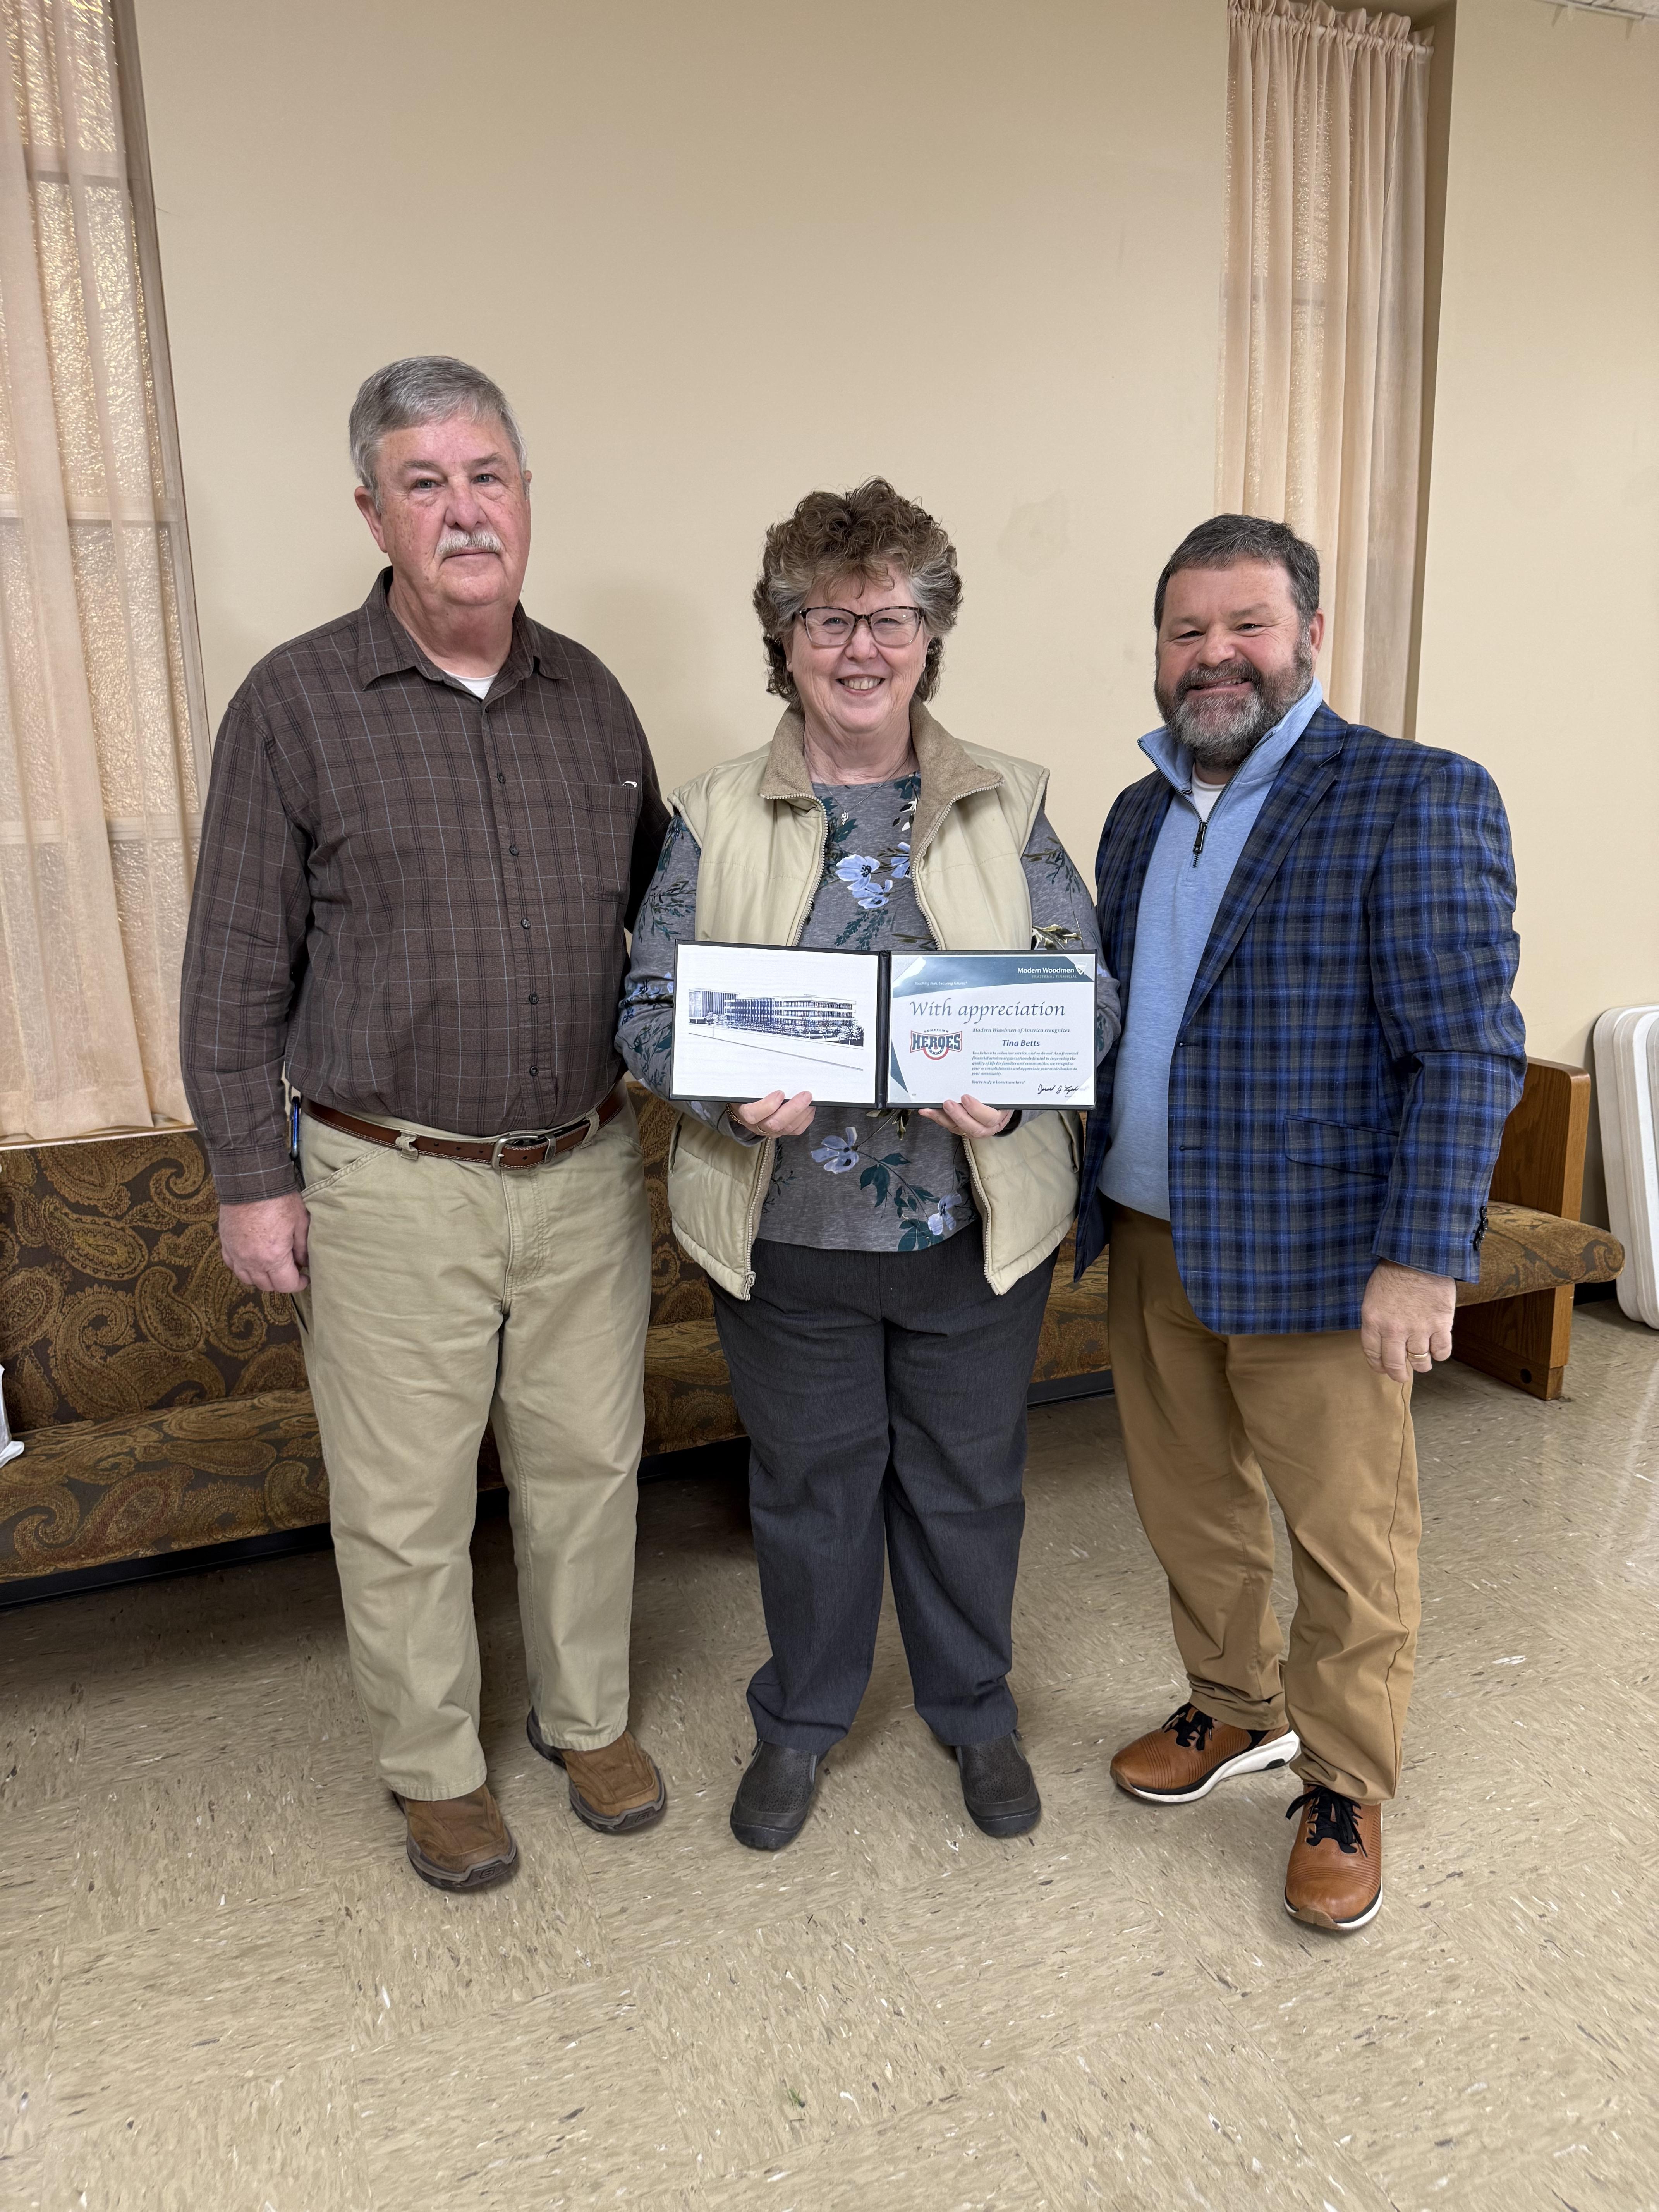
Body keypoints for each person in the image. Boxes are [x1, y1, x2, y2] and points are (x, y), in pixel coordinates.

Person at [180, 357, 671, 1891]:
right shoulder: (294, 704)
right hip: (389, 1177)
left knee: (590, 1467)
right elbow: (234, 969)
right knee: (404, 1506)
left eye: (488, 477)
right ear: (373, 513)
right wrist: (250, 1180)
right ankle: (436, 1769)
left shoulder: (592, 696)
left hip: (584, 1164)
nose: (466, 513)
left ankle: (586, 1722)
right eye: (426, 483)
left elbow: (662, 925)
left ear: (526, 496)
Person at [620, 479, 1119, 1851]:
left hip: (973, 1228)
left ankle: (974, 1712)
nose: (859, 648)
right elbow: (648, 1010)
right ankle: (800, 1720)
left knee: (969, 1489)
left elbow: (1086, 993)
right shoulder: (715, 811)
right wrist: (728, 1097)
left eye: (889, 618)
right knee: (809, 1496)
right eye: (826, 620)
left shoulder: (1006, 800)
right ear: (782, 640)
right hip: (787, 1233)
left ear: (929, 635)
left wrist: (1017, 1090)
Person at [1077, 514, 1525, 1932]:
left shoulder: (1415, 794)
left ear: (1308, 637)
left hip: (1325, 1256)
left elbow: (1465, 1047)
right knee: (1189, 1507)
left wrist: (1422, 1254)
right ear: (1158, 652)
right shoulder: (1135, 813)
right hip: (1147, 1232)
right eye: (1185, 631)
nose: (1214, 655)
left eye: (1246, 625)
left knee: (1347, 1540)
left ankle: (1342, 1779)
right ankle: (1231, 1703)